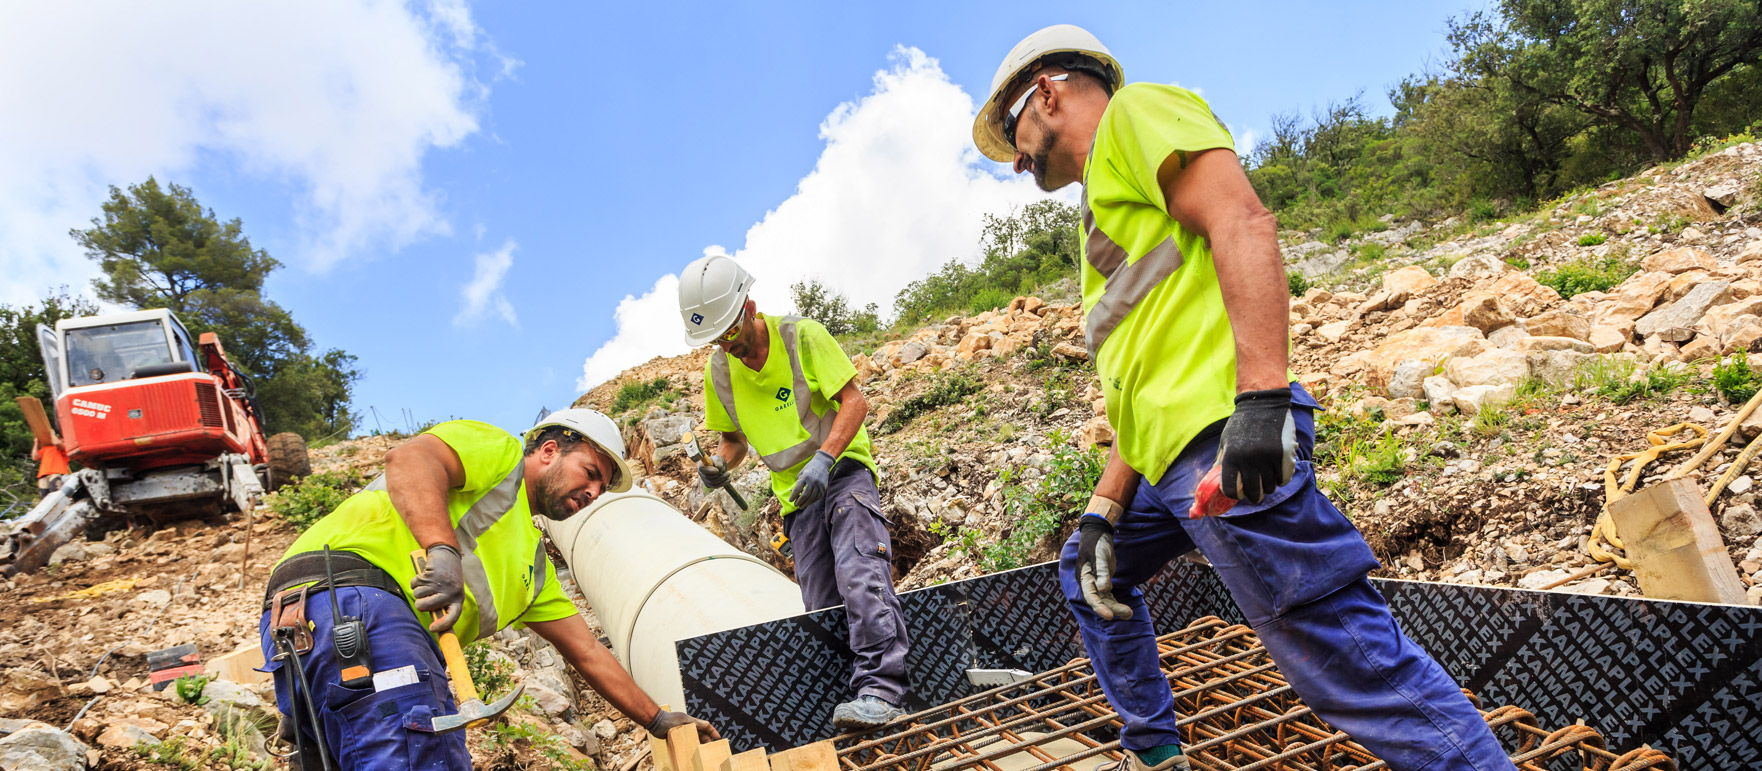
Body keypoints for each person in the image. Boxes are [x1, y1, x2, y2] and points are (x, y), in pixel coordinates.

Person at [971, 25, 1518, 771]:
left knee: (1346, 661)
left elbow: (1242, 219)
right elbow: (1143, 376)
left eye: (1013, 131)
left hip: (1219, 438)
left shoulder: (1136, 116)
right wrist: (1102, 511)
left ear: (1047, 92)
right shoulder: (1103, 208)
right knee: (1086, 572)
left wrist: (1260, 400)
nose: (1016, 158)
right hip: (1166, 462)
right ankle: (1155, 753)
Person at [258, 410, 717, 770]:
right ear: (550, 450)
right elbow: (411, 459)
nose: (593, 491)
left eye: (601, 487)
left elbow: (588, 651)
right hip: (356, 602)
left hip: (316, 629)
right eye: (590, 472)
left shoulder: (532, 569)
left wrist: (657, 719)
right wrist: (442, 550)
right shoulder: (500, 456)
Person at [677, 255, 911, 730]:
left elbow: (855, 401)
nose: (728, 347)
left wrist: (825, 458)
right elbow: (734, 440)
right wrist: (721, 464)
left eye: (731, 333)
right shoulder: (719, 373)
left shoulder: (801, 335)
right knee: (821, 605)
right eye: (717, 340)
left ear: (750, 309)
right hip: (796, 499)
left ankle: (883, 691)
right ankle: (846, 706)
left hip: (843, 474)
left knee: (859, 571)